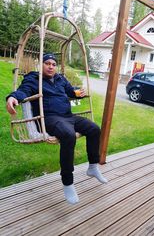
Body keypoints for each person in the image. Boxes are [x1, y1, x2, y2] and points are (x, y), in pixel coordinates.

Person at [6, 53, 108, 205]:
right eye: (47, 63)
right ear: (41, 64)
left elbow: (70, 91)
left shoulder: (60, 79)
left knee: (94, 129)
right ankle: (67, 182)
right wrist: (13, 97)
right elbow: (23, 90)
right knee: (68, 135)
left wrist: (79, 93)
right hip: (49, 118)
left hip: (68, 116)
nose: (51, 66)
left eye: (53, 64)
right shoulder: (34, 79)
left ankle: (93, 166)